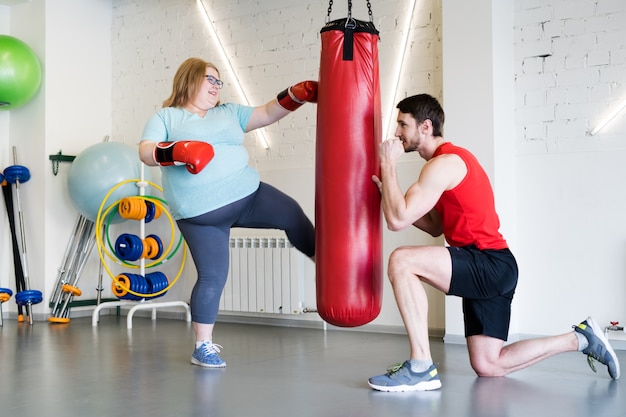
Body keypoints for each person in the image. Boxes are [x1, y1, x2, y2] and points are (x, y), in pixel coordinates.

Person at [367, 93, 620, 392]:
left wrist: (388, 165)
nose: (396, 133)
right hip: (496, 265)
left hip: (488, 262)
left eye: (402, 125)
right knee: (489, 364)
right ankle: (582, 338)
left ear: (425, 127)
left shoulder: (444, 164)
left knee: (401, 260)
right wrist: (390, 195)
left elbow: (397, 220)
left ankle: (420, 366)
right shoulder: (445, 163)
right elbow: (434, 226)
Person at [138, 57, 316, 368]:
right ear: (190, 79)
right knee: (213, 276)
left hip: (248, 194)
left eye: (219, 82)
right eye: (211, 79)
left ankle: (325, 264)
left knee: (292, 214)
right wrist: (177, 151)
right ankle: (202, 346)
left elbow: (265, 113)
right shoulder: (167, 116)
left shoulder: (229, 112)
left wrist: (295, 95)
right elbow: (145, 150)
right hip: (199, 213)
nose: (217, 86)